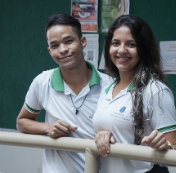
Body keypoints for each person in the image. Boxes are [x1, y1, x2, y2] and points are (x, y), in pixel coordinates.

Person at [16, 13, 112, 173]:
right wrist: (47, 127)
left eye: (69, 41)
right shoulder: (42, 82)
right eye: (55, 45)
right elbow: (21, 122)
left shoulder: (109, 85)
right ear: (49, 51)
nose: (63, 50)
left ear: (83, 42)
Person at [93, 15, 176, 173]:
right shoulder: (108, 88)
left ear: (143, 49)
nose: (121, 50)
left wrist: (165, 145)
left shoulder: (155, 90)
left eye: (131, 44)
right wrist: (102, 135)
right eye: (115, 43)